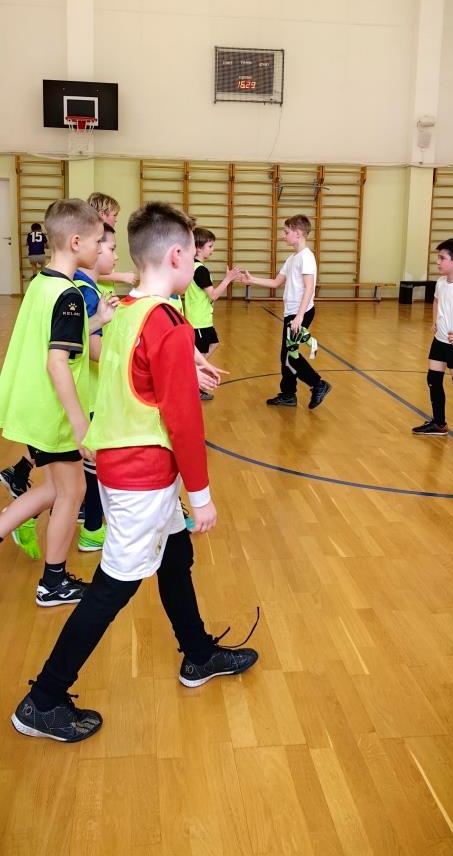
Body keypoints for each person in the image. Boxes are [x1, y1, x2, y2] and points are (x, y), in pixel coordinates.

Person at [11, 201, 258, 743]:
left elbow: (134, 368)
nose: (195, 261)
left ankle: (198, 654)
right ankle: (43, 700)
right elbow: (183, 420)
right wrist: (202, 495)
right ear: (177, 256)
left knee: (176, 554)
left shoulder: (127, 309)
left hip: (131, 467)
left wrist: (184, 364)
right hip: (141, 476)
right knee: (112, 589)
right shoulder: (166, 322)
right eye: (192, 252)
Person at [0, 199, 116, 603]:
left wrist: (98, 320)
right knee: (72, 492)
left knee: (55, 487)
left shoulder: (42, 284)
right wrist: (81, 425)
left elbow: (59, 340)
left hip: (33, 409)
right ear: (76, 241)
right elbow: (57, 363)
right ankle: (53, 582)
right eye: (99, 241)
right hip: (55, 415)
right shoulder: (68, 295)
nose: (101, 248)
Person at [241, 214, 331, 409]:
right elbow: (276, 282)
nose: (283, 235)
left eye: (286, 232)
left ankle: (318, 384)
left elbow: (309, 287)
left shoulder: (306, 257)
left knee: (290, 356)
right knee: (288, 355)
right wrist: (252, 280)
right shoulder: (292, 258)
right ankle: (289, 394)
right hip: (291, 313)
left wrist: (299, 316)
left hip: (300, 313)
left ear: (298, 233)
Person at [73, 222, 119, 552]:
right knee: (92, 465)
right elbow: (94, 348)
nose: (115, 257)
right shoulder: (85, 293)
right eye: (112, 249)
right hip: (89, 393)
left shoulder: (88, 288)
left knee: (85, 468)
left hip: (88, 392)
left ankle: (91, 523)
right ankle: (92, 526)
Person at [412, 238, 453, 438]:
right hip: (440, 341)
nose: (437, 261)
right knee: (433, 379)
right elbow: (436, 301)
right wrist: (435, 321)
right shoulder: (441, 282)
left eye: (442, 258)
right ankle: (439, 423)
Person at [184, 226, 240, 399]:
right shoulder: (200, 270)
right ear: (198, 248)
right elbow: (213, 295)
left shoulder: (192, 266)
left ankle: (190, 370)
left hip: (201, 319)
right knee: (200, 355)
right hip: (198, 321)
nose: (212, 250)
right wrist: (228, 279)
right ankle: (194, 384)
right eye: (210, 246)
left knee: (214, 344)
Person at [87, 192, 137, 288]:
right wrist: (121, 276)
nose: (116, 219)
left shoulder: (105, 234)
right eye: (114, 215)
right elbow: (90, 272)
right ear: (102, 214)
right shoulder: (92, 237)